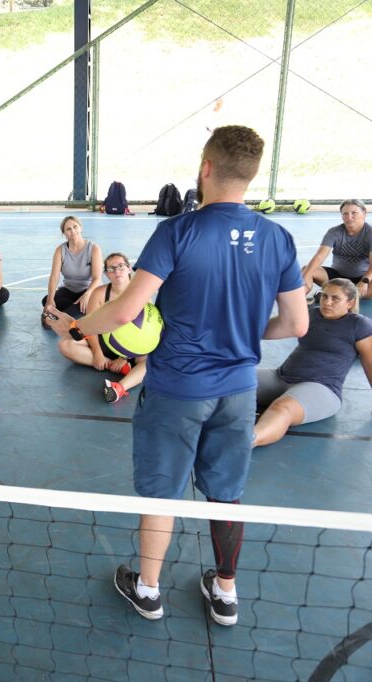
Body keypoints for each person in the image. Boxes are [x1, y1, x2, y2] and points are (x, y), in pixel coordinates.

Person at [46, 125, 308, 627]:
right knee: (227, 494)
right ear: (250, 177)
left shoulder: (177, 231)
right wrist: (246, 331)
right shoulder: (278, 237)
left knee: (162, 492)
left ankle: (148, 590)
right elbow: (296, 323)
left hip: (175, 391)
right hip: (237, 390)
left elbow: (125, 312)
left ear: (206, 168)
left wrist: (79, 327)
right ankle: (226, 594)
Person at [254, 279, 372, 447]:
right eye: (324, 296)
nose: (327, 302)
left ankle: (245, 442)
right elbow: (276, 326)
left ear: (350, 303)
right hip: (281, 377)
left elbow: (370, 364)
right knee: (232, 376)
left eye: (335, 298)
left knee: (283, 407)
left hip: (321, 388)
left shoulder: (359, 325)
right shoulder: (311, 314)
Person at [56, 253, 148, 403]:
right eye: (111, 269)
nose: (117, 271)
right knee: (65, 345)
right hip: (105, 343)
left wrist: (124, 357)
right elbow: (90, 326)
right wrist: (98, 354)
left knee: (151, 359)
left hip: (131, 347)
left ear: (129, 268)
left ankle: (120, 387)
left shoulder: (140, 293)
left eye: (120, 266)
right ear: (106, 274)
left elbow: (145, 332)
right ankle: (114, 365)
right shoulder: (99, 294)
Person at [301, 199, 372, 312]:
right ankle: (299, 303)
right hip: (337, 278)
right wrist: (306, 276)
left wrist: (364, 281)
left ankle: (329, 295)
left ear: (364, 213)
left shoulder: (370, 233)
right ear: (342, 216)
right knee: (306, 270)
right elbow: (320, 256)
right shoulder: (334, 232)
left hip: (362, 279)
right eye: (345, 213)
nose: (349, 217)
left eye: (354, 213)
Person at [42, 215, 103, 326]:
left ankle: (57, 318)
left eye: (75, 227)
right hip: (69, 289)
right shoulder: (60, 250)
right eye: (68, 229)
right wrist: (50, 299)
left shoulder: (94, 248)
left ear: (81, 228)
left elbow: (97, 278)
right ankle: (81, 310)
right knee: (46, 300)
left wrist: (87, 295)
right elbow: (54, 277)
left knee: (81, 304)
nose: (73, 231)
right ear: (64, 233)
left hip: (88, 289)